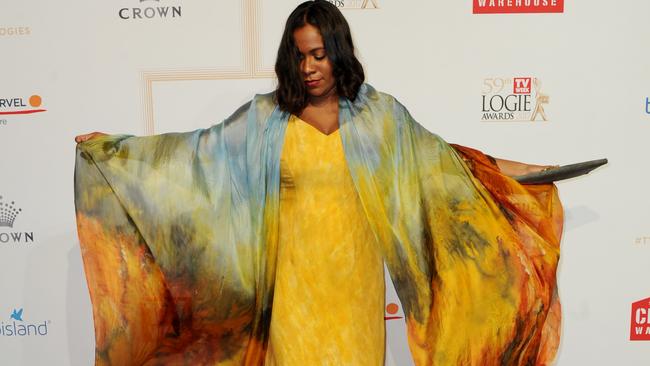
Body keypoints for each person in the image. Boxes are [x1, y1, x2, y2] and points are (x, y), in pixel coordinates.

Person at [74, 1, 562, 365]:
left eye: (320, 55)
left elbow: (449, 166)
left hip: (357, 293)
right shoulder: (266, 119)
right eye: (300, 56)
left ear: (339, 54)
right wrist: (114, 152)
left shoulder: (378, 115)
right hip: (291, 293)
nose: (308, 68)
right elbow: (192, 161)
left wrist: (531, 174)